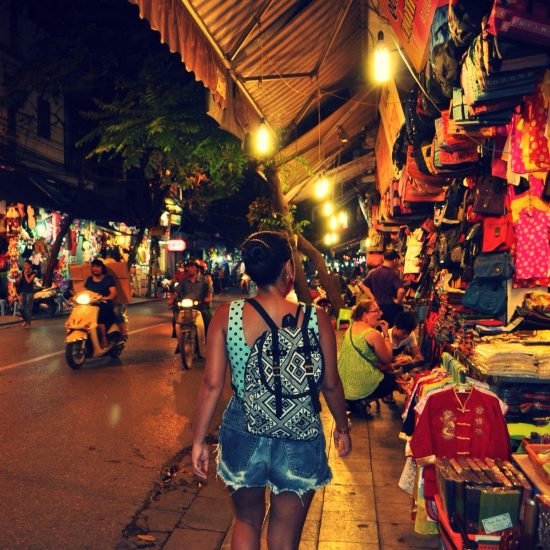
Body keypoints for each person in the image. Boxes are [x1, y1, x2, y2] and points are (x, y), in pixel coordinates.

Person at [192, 231, 351, 550]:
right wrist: (342, 427)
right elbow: (330, 383)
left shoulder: (226, 316)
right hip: (300, 431)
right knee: (284, 534)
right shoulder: (315, 318)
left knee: (246, 521)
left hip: (243, 428)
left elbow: (211, 385)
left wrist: (198, 441)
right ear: (288, 268)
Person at [337, 299, 397, 416]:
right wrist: (386, 334)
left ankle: (352, 401)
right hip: (360, 383)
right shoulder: (373, 334)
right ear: (365, 315)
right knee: (390, 380)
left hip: (343, 383)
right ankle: (363, 400)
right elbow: (387, 358)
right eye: (376, 311)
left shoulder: (351, 327)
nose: (381, 314)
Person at [363, 249, 405, 326]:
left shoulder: (374, 272)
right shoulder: (392, 273)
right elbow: (401, 291)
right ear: (395, 260)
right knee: (392, 330)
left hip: (378, 309)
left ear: (383, 258)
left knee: (381, 328)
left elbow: (363, 285)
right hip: (392, 309)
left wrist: (373, 298)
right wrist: (398, 300)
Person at [84, 258, 117, 349]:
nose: (95, 268)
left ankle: (103, 339)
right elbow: (86, 292)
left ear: (102, 268)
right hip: (92, 303)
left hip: (104, 303)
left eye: (98, 266)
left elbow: (113, 293)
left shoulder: (108, 279)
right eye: (93, 266)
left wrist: (105, 298)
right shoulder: (89, 279)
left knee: (99, 317)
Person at [175, 258, 213, 332]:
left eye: (192, 267)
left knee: (207, 319)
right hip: (185, 307)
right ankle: (177, 337)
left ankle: (207, 337)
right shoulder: (183, 280)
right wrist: (171, 299)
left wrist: (207, 299)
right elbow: (176, 291)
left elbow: (209, 294)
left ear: (197, 268)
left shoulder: (205, 281)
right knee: (176, 320)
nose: (189, 269)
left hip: (200, 306)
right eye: (188, 267)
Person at [17, 260, 36, 328]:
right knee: (20, 307)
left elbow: (28, 281)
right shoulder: (22, 272)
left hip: (29, 292)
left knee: (28, 308)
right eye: (24, 265)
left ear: (30, 265)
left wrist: (25, 274)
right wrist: (19, 279)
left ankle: (28, 322)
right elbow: (21, 282)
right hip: (23, 292)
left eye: (26, 265)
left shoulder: (33, 273)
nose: (25, 266)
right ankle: (26, 320)